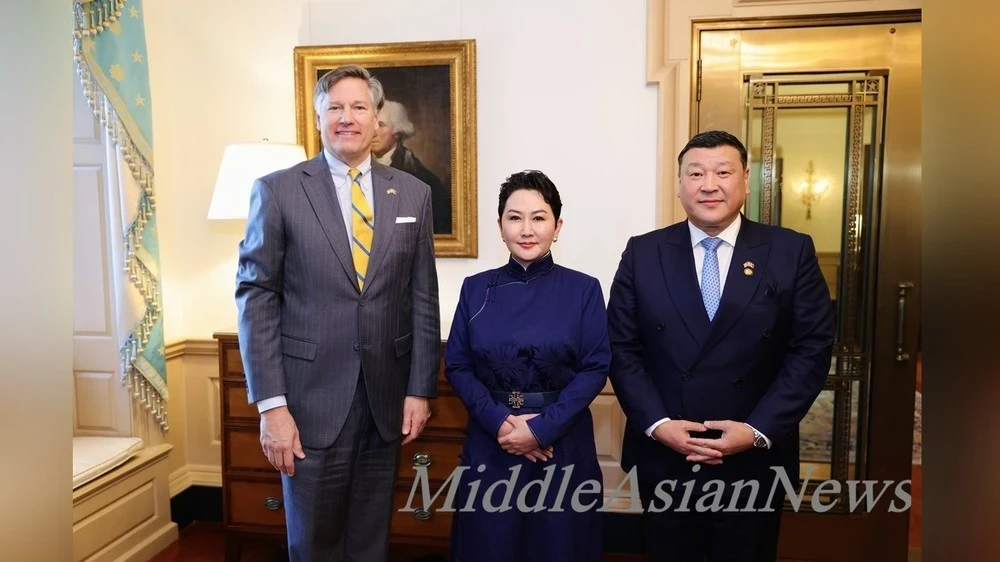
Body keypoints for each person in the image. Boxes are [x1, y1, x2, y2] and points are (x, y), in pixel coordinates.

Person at [235, 64, 441, 561]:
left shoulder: (413, 193)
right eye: (335, 108)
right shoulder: (278, 190)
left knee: (371, 541)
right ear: (319, 118)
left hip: (385, 402)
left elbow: (422, 297)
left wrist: (419, 389)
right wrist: (272, 407)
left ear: (376, 118)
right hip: (308, 404)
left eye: (358, 107)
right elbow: (256, 297)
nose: (347, 117)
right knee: (313, 543)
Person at [606, 130, 835, 562]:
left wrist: (757, 430)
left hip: (753, 457)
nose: (709, 185)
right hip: (667, 456)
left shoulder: (790, 251)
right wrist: (658, 424)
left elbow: (811, 349)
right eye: (696, 174)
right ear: (679, 184)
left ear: (746, 180)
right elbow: (621, 347)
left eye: (723, 172)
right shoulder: (643, 253)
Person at [443, 170, 610, 562]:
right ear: (500, 225)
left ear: (557, 226)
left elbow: (595, 368)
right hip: (493, 442)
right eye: (514, 218)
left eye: (539, 217)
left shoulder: (584, 289)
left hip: (560, 445)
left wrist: (539, 430)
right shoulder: (475, 288)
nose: (526, 229)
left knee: (559, 548)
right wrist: (503, 425)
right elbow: (458, 365)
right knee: (489, 547)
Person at [372, 99, 452, 235]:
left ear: (398, 132)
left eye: (381, 125)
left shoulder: (420, 177)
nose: (374, 132)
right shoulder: (356, 167)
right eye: (372, 124)